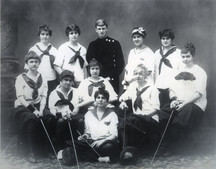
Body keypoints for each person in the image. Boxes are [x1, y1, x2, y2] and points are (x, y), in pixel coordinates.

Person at [158, 42, 207, 156]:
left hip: (194, 104)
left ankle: (175, 147)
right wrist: (174, 99)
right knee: (163, 113)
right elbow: (171, 89)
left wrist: (184, 103)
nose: (185, 59)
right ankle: (164, 146)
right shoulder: (177, 70)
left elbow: (198, 93)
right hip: (179, 102)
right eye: (183, 57)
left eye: (188, 56)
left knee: (180, 116)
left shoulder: (200, 72)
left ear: (193, 56)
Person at [59, 87, 119, 165]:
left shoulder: (112, 114)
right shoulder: (88, 114)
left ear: (107, 101)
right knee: (71, 143)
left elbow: (114, 135)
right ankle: (99, 158)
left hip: (105, 142)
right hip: (92, 142)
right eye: (98, 98)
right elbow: (87, 132)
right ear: (95, 100)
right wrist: (85, 136)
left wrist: (102, 141)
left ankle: (85, 156)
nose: (100, 100)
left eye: (103, 98)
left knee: (109, 147)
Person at [118, 64, 161, 164]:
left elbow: (156, 109)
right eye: (136, 74)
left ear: (146, 75)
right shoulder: (133, 87)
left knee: (130, 120)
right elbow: (122, 97)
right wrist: (123, 102)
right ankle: (126, 150)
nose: (138, 76)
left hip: (150, 119)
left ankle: (126, 151)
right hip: (135, 120)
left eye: (141, 74)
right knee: (124, 121)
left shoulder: (152, 88)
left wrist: (143, 117)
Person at [14, 51, 50, 163]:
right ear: (27, 63)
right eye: (31, 62)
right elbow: (21, 98)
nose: (34, 64)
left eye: (36, 61)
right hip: (23, 106)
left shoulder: (43, 77)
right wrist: (34, 110)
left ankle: (44, 150)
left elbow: (44, 96)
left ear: (39, 63)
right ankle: (31, 152)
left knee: (49, 118)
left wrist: (41, 109)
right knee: (31, 119)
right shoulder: (20, 78)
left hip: (39, 105)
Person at [86, 19, 125, 94]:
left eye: (103, 28)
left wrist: (111, 77)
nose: (101, 31)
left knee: (113, 102)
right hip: (97, 80)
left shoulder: (115, 44)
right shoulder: (92, 45)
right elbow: (90, 64)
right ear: (96, 30)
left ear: (107, 29)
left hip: (112, 79)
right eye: (99, 29)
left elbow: (120, 64)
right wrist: (98, 78)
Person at [48, 70, 84, 151]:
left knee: (81, 120)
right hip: (59, 116)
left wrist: (72, 113)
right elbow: (52, 109)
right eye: (66, 80)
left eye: (70, 80)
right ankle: (60, 148)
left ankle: (78, 147)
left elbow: (77, 106)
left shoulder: (76, 91)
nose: (68, 82)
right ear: (60, 81)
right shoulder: (54, 93)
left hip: (73, 114)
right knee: (61, 121)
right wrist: (61, 114)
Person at [25, 24, 59, 103]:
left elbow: (58, 66)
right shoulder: (33, 49)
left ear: (49, 35)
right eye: (42, 34)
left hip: (51, 80)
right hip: (38, 80)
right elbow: (27, 68)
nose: (45, 36)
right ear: (39, 35)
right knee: (39, 101)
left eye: (47, 34)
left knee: (50, 102)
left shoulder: (54, 50)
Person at [154, 29, 182, 109]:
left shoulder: (178, 53)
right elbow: (155, 71)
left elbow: (180, 70)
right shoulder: (157, 53)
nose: (165, 41)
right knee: (159, 109)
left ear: (171, 39)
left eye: (167, 38)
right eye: (163, 38)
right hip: (159, 86)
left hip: (171, 86)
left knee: (169, 110)